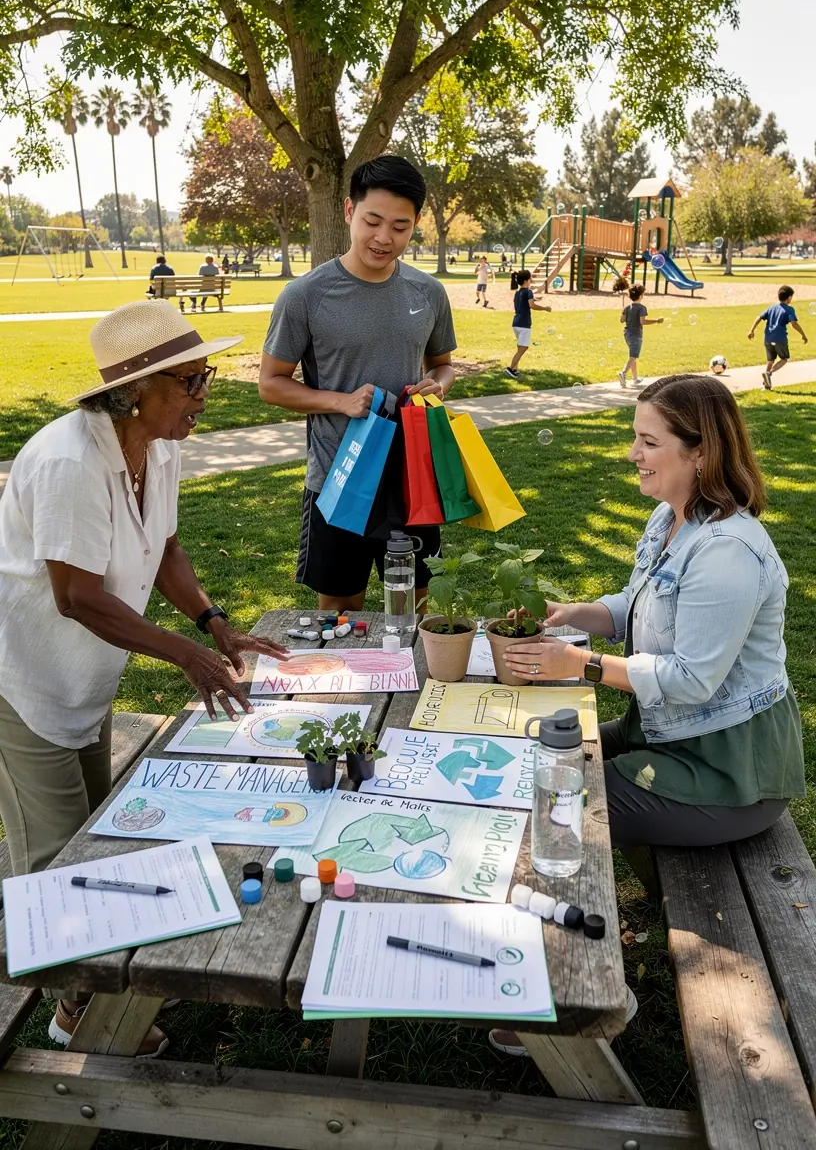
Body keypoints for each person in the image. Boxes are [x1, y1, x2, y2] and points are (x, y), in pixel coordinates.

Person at [0, 301, 289, 1054]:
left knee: (99, 838)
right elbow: (77, 595)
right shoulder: (70, 460)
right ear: (136, 392)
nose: (203, 397)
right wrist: (185, 656)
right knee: (55, 853)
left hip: (80, 679)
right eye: (191, 383)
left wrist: (211, 620)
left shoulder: (159, 446)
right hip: (20, 679)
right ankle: (76, 1016)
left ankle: (98, 993)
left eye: (206, 379)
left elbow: (163, 548)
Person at [503, 373, 805, 848]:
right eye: (634, 438)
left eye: (648, 442)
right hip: (665, 736)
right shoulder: (671, 515)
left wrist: (582, 664)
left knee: (548, 801)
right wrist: (577, 612)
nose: (632, 455)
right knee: (538, 757)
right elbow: (643, 601)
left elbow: (691, 679)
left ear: (701, 452)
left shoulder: (727, 550)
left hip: (728, 770)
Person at [259, 155, 456, 613]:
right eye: (373, 221)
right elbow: (271, 384)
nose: (384, 238)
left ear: (416, 225)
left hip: (412, 481)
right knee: (341, 619)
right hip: (338, 480)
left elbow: (443, 365)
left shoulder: (429, 293)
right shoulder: (305, 295)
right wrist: (341, 401)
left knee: (416, 612)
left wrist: (438, 385)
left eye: (400, 227)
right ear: (349, 211)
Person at [748, 285, 808, 390]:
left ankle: (766, 386)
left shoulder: (772, 307)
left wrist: (751, 330)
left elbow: (759, 317)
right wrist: (803, 335)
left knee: (770, 360)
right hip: (780, 338)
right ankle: (768, 373)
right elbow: (794, 324)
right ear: (789, 297)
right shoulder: (789, 309)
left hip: (768, 338)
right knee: (784, 359)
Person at [504, 270, 550, 379]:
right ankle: (510, 369)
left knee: (519, 348)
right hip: (524, 324)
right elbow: (532, 305)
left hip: (515, 323)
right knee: (523, 348)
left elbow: (518, 306)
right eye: (530, 278)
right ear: (526, 280)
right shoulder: (528, 292)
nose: (531, 279)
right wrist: (545, 308)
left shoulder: (517, 293)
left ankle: (515, 370)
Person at [618, 284, 663, 387]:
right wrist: (656, 321)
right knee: (633, 356)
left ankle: (635, 379)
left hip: (627, 334)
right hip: (636, 335)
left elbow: (621, 320)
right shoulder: (642, 308)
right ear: (641, 295)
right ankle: (623, 373)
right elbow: (642, 321)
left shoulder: (627, 307)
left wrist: (624, 311)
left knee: (633, 356)